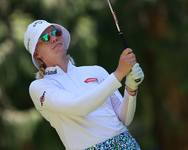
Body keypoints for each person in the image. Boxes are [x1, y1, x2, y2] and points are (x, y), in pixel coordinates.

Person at [24, 20, 144, 150]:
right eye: (45, 38)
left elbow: (124, 118)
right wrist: (118, 74)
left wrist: (130, 88)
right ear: (37, 54)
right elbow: (79, 106)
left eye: (56, 32)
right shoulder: (39, 87)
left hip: (125, 142)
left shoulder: (96, 71)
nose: (54, 38)